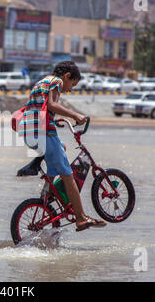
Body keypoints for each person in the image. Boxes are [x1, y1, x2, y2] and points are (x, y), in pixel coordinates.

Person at [18, 61, 106, 232]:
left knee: (62, 147)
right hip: (43, 133)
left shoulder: (41, 82)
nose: (70, 89)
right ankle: (80, 218)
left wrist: (53, 118)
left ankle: (47, 192)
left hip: (30, 133)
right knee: (68, 176)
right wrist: (76, 115)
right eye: (72, 84)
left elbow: (40, 107)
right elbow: (51, 104)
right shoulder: (56, 81)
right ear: (66, 76)